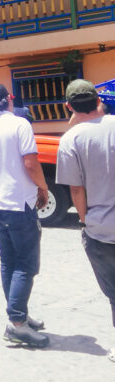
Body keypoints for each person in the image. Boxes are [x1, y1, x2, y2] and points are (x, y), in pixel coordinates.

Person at [0, 83, 50, 348]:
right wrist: (43, 187)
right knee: (25, 264)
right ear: (9, 99)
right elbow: (30, 163)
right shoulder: (20, 125)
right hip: (18, 203)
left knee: (8, 261)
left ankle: (20, 316)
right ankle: (17, 322)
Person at [55, 79, 115, 363]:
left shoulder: (71, 139)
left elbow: (76, 189)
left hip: (100, 230)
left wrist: (84, 219)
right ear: (98, 100)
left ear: (69, 106)